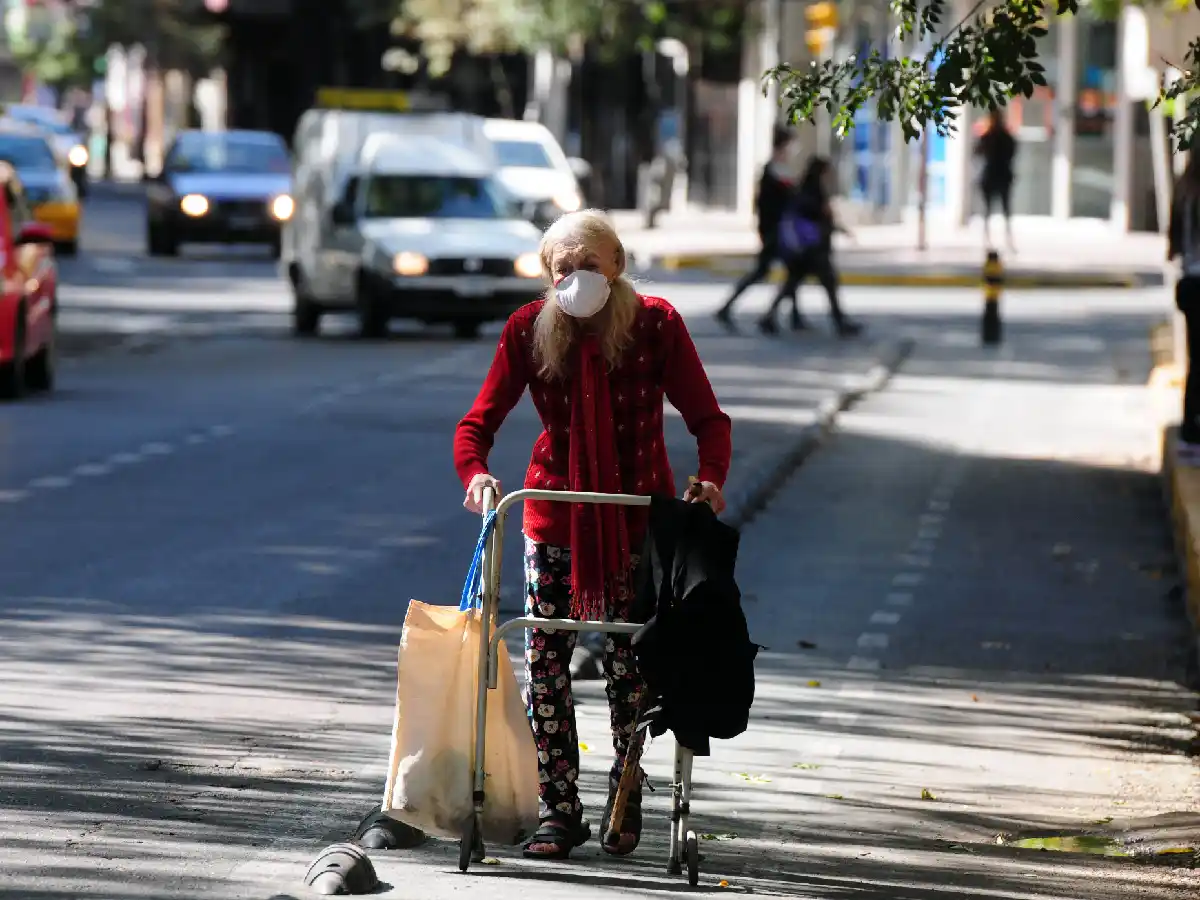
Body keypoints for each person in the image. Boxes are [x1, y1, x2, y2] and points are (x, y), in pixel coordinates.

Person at [454, 209, 732, 861]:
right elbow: (477, 424)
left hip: (637, 517)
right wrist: (477, 475)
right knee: (545, 662)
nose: (576, 278)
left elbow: (708, 419)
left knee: (631, 664)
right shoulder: (529, 329)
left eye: (589, 266)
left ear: (618, 266)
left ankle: (624, 795)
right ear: (547, 275)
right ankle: (559, 808)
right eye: (563, 269)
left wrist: (710, 479)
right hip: (554, 514)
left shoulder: (656, 325)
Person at [758, 157, 862, 338]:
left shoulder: (808, 189)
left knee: (793, 283)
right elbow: (816, 216)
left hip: (807, 249)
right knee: (827, 283)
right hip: (813, 249)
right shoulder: (812, 192)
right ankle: (840, 323)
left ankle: (769, 317)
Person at [715, 126, 797, 330]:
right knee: (772, 271)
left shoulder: (779, 169)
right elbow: (769, 204)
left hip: (779, 231)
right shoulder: (773, 171)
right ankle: (736, 310)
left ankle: (790, 316)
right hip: (774, 232)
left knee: (792, 271)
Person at [1168, 152, 1200, 461]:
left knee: (1196, 360)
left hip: (1189, 281)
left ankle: (1190, 432)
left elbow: (1173, 246)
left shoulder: (1184, 191)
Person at [976, 107, 1017, 251]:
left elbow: (978, 151)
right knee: (1002, 209)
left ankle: (992, 240)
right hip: (999, 175)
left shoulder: (990, 136)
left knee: (991, 210)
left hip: (994, 174)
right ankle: (1001, 240)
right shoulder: (1001, 136)